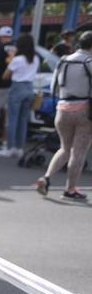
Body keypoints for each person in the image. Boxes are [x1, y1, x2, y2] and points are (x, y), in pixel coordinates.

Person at [34, 30, 92, 200]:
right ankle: (70, 189)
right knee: (78, 151)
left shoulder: (63, 61)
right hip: (84, 110)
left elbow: (54, 86)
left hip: (62, 108)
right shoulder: (89, 61)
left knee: (64, 148)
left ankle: (46, 178)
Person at [0, 33, 40, 159]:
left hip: (17, 88)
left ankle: (10, 148)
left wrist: (11, 57)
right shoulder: (36, 58)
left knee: (12, 119)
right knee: (23, 120)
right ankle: (19, 148)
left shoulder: (17, 59)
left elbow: (5, 75)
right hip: (29, 88)